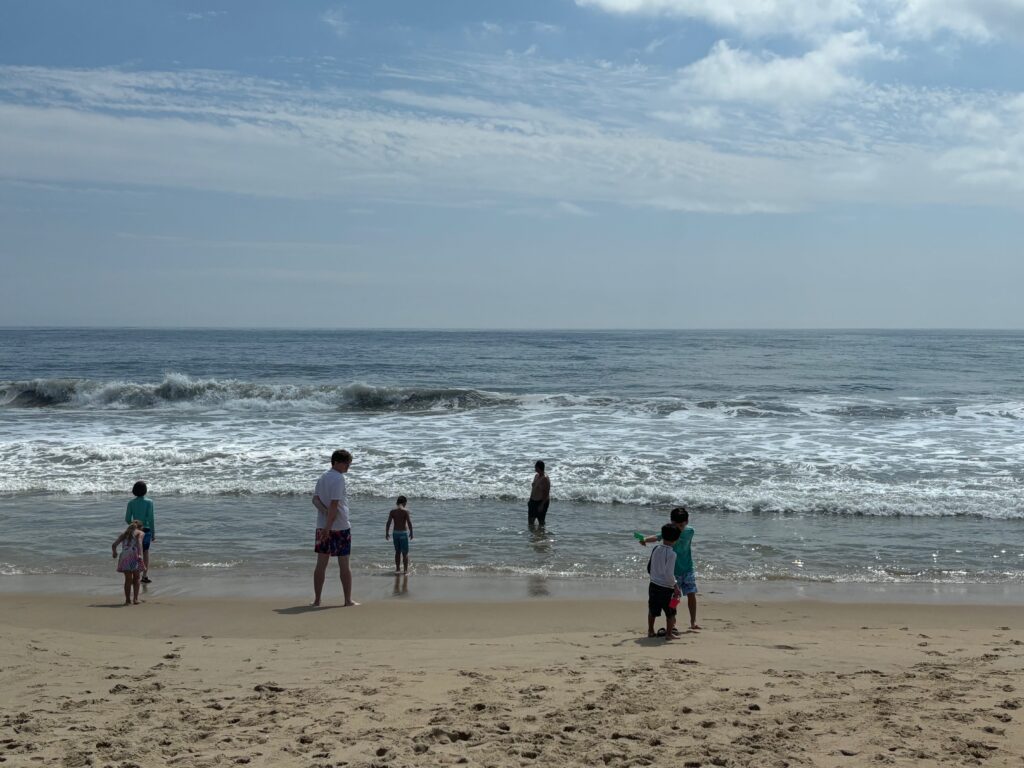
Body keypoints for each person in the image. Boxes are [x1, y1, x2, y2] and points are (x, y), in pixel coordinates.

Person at [639, 506, 700, 632]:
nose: (678, 528)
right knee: (674, 599)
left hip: (688, 568)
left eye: (681, 525)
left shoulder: (690, 531)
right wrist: (645, 539)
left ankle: (693, 621)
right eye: (675, 524)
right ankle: (673, 621)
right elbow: (657, 537)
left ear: (687, 522)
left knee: (691, 594)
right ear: (671, 522)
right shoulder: (670, 532)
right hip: (673, 572)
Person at [311, 449, 357, 607]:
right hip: (339, 527)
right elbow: (334, 504)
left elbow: (315, 500)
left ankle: (317, 600)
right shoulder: (338, 479)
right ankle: (347, 600)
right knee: (344, 563)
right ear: (336, 462)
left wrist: (324, 518)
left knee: (321, 564)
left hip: (322, 526)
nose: (348, 468)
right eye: (346, 464)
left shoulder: (323, 477)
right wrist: (328, 526)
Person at [647, 524, 682, 641]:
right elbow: (669, 574)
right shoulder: (672, 554)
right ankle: (668, 634)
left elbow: (649, 567)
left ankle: (650, 630)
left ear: (662, 536)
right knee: (671, 612)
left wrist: (654, 577)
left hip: (653, 585)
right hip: (667, 588)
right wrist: (676, 586)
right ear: (676, 539)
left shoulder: (656, 549)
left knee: (652, 610)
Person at [125, 481, 155, 583]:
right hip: (146, 530)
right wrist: (153, 533)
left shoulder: (131, 503)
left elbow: (127, 519)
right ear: (145, 491)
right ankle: (144, 576)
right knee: (145, 552)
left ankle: (135, 574)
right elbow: (151, 519)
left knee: (135, 552)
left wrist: (134, 526)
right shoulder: (149, 502)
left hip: (135, 530)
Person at [113, 520, 146, 605]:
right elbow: (139, 544)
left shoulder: (125, 533)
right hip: (135, 555)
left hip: (125, 556)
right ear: (140, 527)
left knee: (128, 579)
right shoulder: (140, 533)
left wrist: (114, 553)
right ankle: (135, 599)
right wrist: (141, 556)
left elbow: (114, 545)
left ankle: (127, 600)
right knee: (137, 578)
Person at [385, 495, 414, 574]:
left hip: (395, 534)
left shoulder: (392, 511)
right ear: (404, 502)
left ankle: (397, 569)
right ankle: (405, 571)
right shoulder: (405, 511)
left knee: (397, 552)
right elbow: (409, 522)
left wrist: (387, 533)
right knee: (405, 553)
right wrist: (411, 532)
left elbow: (388, 523)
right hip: (403, 534)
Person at [528, 460, 550, 528]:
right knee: (530, 521)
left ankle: (541, 535)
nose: (535, 468)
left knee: (541, 521)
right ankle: (533, 536)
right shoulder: (536, 476)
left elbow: (546, 493)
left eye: (535, 467)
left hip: (541, 502)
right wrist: (530, 500)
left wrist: (542, 505)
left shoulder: (545, 479)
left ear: (538, 467)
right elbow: (533, 489)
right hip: (533, 501)